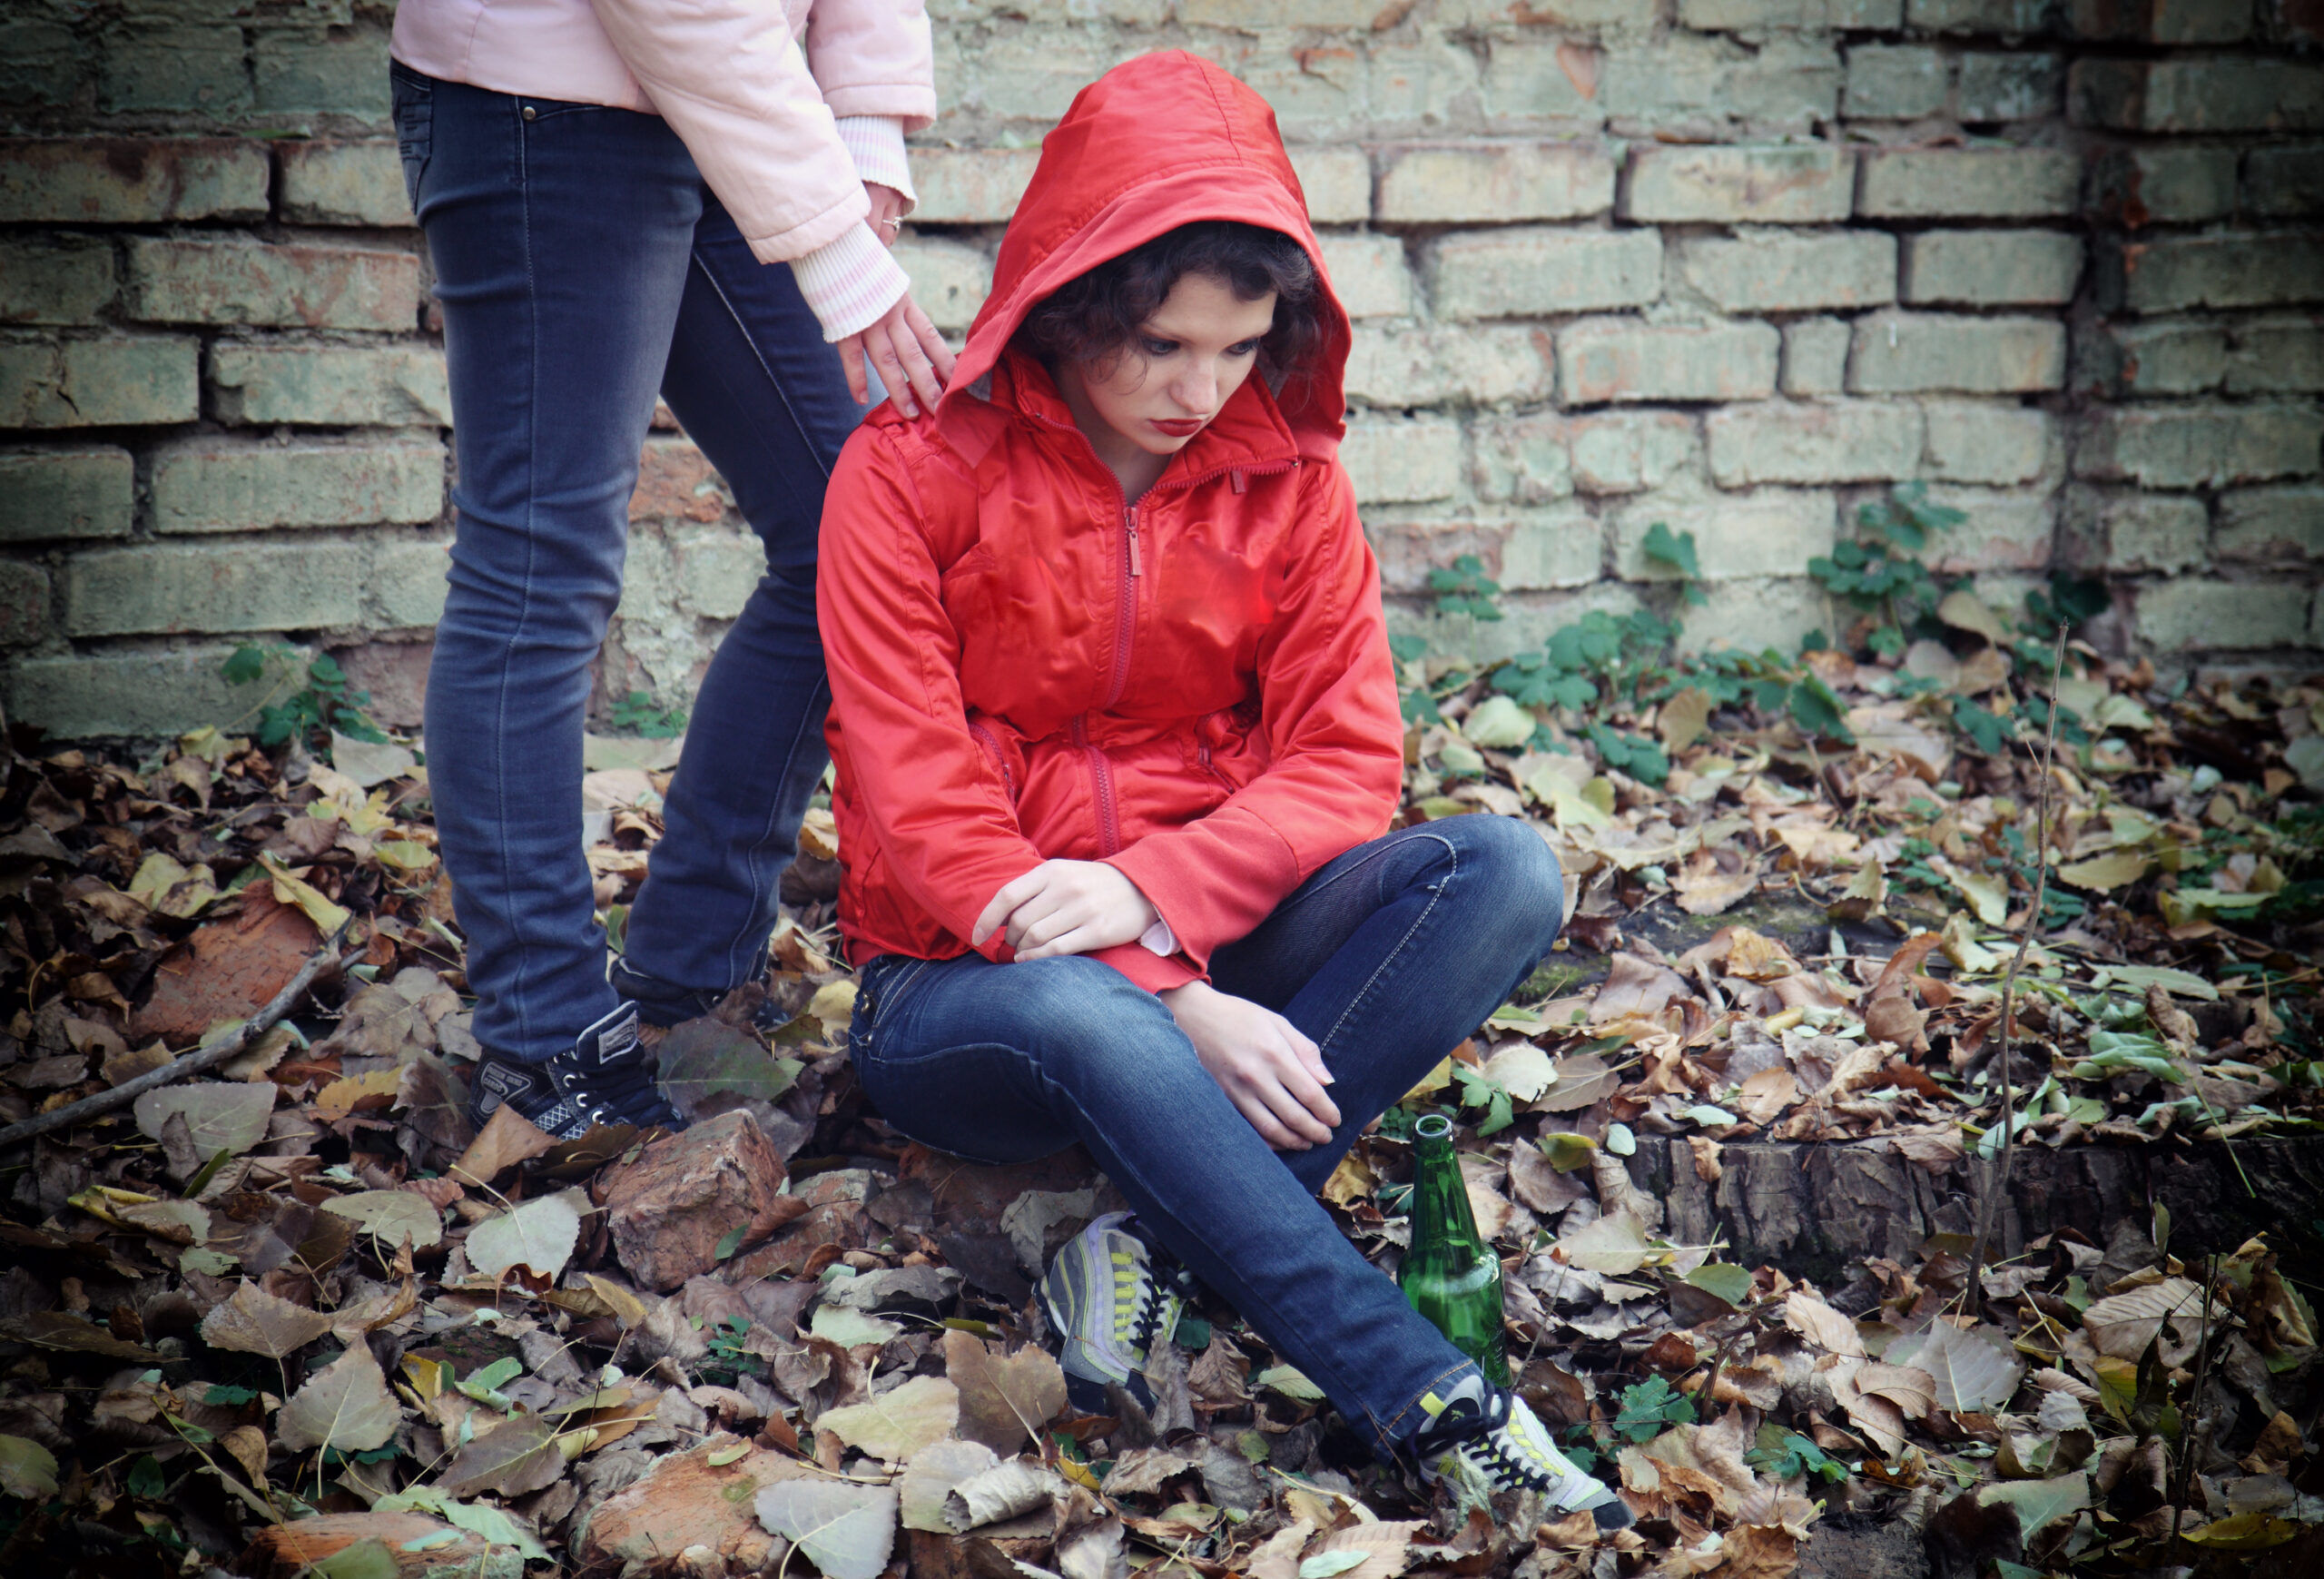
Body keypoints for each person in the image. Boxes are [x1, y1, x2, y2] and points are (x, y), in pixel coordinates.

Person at [818, 52, 1630, 1523]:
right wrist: (1163, 985)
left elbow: (1344, 758)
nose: (1200, 390)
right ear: (1066, 302)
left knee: (1502, 866)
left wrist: (1153, 895)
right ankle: (1438, 1400)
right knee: (1086, 1004)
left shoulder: (1292, 483)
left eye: (1239, 346)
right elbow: (918, 797)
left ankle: (1142, 1242)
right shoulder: (905, 470)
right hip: (960, 992)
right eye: (1157, 346)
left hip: (1193, 924)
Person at [386, 0, 956, 1138]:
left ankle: (689, 972)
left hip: (740, 111)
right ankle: (545, 1036)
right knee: (541, 566)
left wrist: (867, 124)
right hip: (545, 103)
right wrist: (834, 238)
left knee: (856, 527)